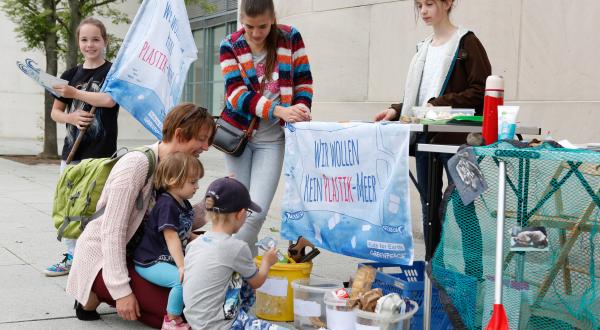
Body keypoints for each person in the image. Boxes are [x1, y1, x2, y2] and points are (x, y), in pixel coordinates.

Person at [66, 103, 215, 328]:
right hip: (104, 257)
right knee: (180, 314)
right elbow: (112, 231)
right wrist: (121, 291)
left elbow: (174, 224)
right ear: (180, 134)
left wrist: (212, 204)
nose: (205, 147)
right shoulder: (136, 164)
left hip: (145, 255)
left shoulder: (175, 168)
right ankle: (92, 293)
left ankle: (106, 292)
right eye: (202, 139)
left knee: (195, 304)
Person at [373, 0, 491, 267]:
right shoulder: (423, 49)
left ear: (448, 3)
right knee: (430, 207)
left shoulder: (467, 42)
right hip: (426, 137)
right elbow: (418, 99)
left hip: (460, 141)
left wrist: (438, 104)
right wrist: (395, 110)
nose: (423, 11)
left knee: (466, 205)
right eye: (419, 5)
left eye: (429, 3)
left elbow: (481, 92)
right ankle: (435, 273)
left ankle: (474, 276)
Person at [219, 0, 313, 255]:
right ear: (241, 21)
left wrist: (302, 109)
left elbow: (303, 81)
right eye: (249, 27)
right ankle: (244, 274)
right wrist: (279, 110)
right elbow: (236, 95)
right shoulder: (230, 45)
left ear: (272, 18)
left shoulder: (290, 37)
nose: (256, 33)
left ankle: (222, 261)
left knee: (255, 212)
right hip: (238, 137)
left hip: (273, 140)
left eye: (262, 26)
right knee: (235, 209)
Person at [45, 17, 119, 277]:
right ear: (78, 43)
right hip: (72, 153)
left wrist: (75, 94)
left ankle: (94, 256)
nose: (90, 44)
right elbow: (56, 112)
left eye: (95, 39)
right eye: (85, 39)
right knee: (69, 205)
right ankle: (71, 255)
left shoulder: (113, 72)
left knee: (98, 207)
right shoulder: (69, 76)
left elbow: (109, 100)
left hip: (102, 156)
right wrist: (72, 117)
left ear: (104, 41)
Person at [183, 177, 281, 330]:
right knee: (252, 273)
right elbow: (257, 282)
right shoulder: (237, 247)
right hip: (221, 325)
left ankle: (241, 316)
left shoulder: (195, 244)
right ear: (240, 214)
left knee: (245, 269)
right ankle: (241, 321)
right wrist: (267, 262)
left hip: (196, 321)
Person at [133, 152, 204, 330]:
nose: (197, 187)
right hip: (150, 261)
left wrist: (202, 240)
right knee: (181, 280)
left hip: (165, 257)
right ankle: (171, 320)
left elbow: (184, 232)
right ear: (173, 180)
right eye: (192, 182)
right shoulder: (167, 204)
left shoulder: (183, 202)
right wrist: (182, 266)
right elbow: (171, 237)